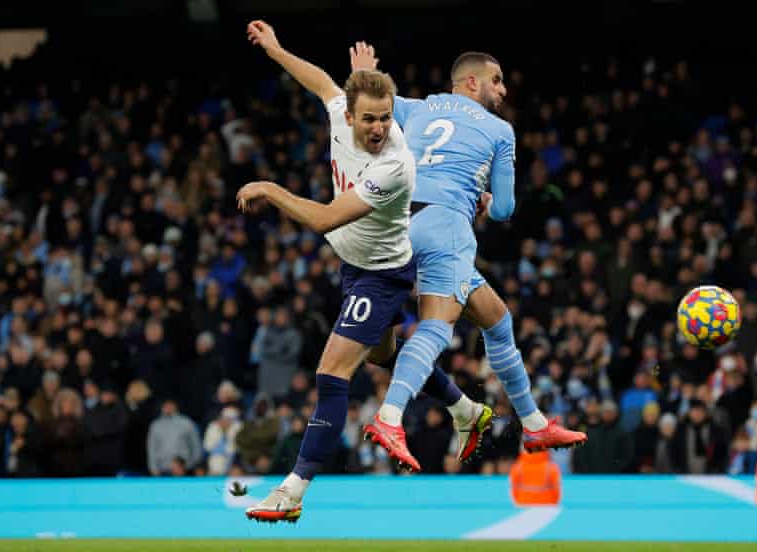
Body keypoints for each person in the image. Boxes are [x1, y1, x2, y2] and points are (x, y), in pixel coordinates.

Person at [239, 20, 490, 522]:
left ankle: (292, 491)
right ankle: (465, 408)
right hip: (355, 267)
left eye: (385, 118)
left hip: (382, 274)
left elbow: (327, 218)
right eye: (370, 119)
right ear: (350, 115)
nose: (379, 129)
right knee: (384, 357)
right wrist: (275, 50)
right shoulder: (342, 110)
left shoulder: (393, 164)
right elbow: (323, 84)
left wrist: (269, 188)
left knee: (332, 373)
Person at [349, 44, 586, 468]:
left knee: (496, 318)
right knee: (438, 328)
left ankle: (532, 423)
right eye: (496, 80)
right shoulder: (500, 130)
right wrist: (487, 199)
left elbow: (374, 104)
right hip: (445, 226)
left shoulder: (416, 108)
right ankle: (389, 416)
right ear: (472, 82)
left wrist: (366, 74)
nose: (504, 89)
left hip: (396, 222)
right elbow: (505, 210)